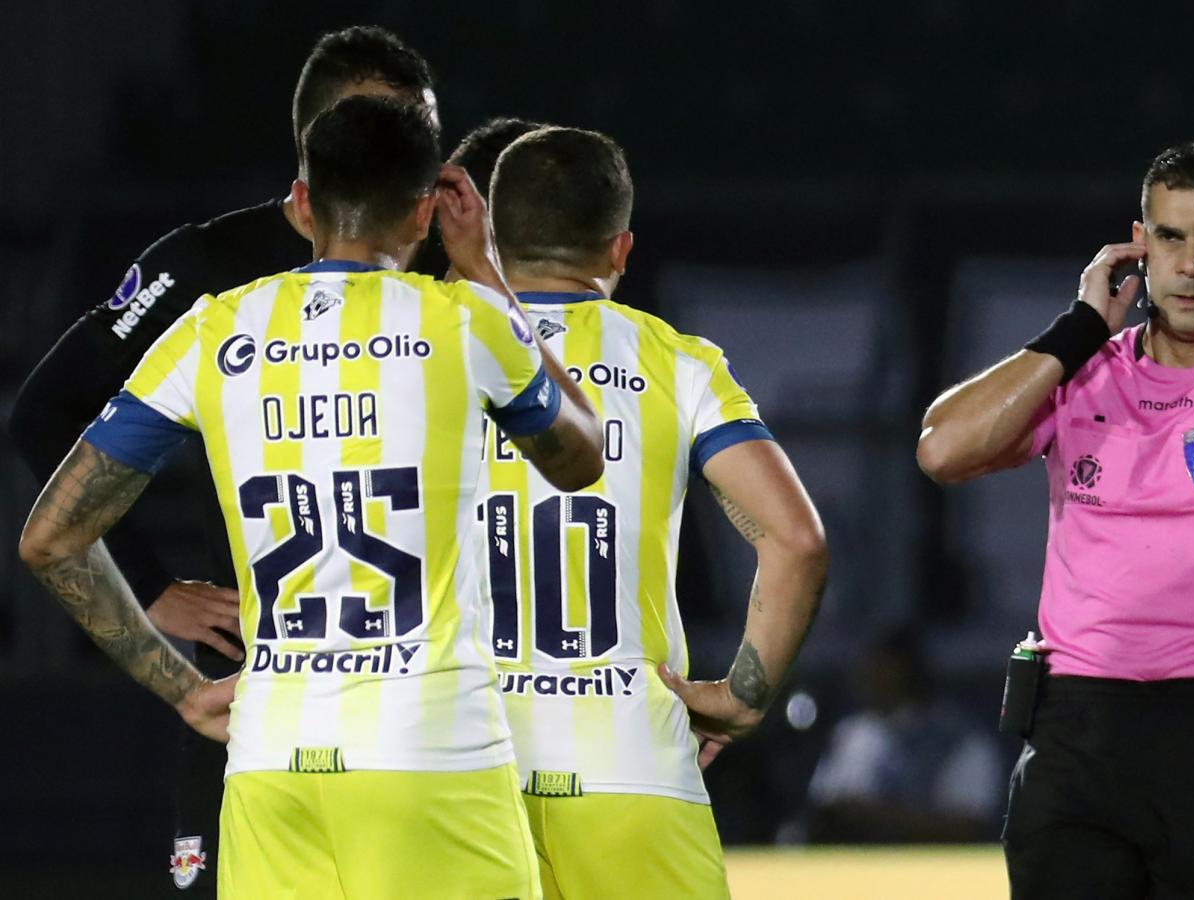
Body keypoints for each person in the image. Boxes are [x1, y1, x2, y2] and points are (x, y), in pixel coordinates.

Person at [20, 96, 604, 899]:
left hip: (272, 761)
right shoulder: (464, 322)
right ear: (427, 211)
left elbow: (49, 539)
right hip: (428, 753)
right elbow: (581, 457)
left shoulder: (210, 331)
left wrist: (181, 689)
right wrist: (490, 279)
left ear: (302, 203)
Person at [7, 25, 441, 894]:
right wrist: (150, 585)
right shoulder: (209, 274)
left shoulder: (452, 286)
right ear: (318, 150)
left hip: (428, 699)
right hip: (258, 680)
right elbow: (46, 412)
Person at [917, 140, 1194, 900]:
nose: (1191, 264)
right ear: (1140, 244)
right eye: (1171, 237)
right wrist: (1078, 327)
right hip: (1079, 735)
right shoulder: (1079, 370)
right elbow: (941, 450)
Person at [479, 125, 828, 899]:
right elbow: (796, 540)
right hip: (629, 766)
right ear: (620, 250)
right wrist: (740, 698)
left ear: (492, 243)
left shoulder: (430, 346)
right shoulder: (674, 361)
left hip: (456, 772)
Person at [802, 626, 1000, 844]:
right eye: (870, 666)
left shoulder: (962, 740)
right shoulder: (852, 733)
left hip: (929, 869)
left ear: (911, 672)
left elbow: (969, 827)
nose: (872, 676)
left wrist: (879, 817)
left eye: (885, 667)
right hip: (852, 866)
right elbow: (823, 810)